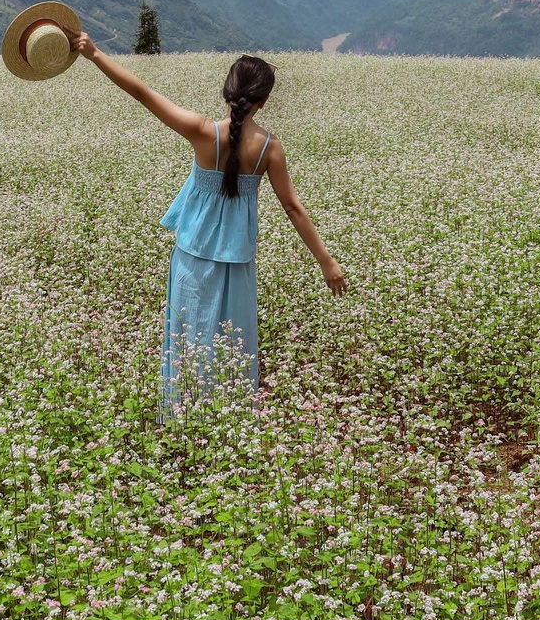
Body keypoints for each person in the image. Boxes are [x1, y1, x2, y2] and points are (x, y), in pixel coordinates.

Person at [70, 34, 345, 411]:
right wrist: (327, 262)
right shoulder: (270, 148)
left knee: (189, 337)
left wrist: (95, 54)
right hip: (237, 262)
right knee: (233, 342)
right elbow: (293, 208)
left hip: (191, 257)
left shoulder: (201, 131)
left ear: (226, 92)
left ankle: (184, 415)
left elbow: (142, 92)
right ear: (263, 100)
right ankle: (230, 418)